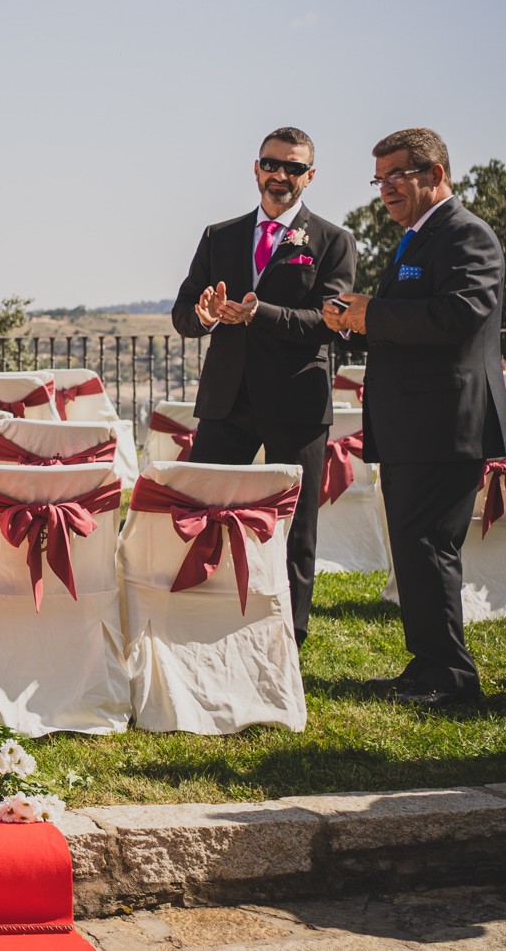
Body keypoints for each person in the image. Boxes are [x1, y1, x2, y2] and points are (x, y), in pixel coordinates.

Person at [325, 127, 506, 710]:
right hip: (412, 423)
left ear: (436, 174)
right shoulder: (413, 239)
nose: (385, 189)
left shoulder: (466, 235)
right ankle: (428, 665)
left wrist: (371, 314)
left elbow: (459, 315)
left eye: (396, 176)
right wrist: (357, 319)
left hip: (445, 423)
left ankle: (451, 678)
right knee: (413, 546)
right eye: (379, 179)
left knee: (429, 547)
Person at [169, 126, 356, 644]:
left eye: (293, 168)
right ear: (256, 168)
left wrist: (261, 314)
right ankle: (204, 621)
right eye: (271, 164)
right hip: (226, 399)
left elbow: (328, 321)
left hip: (296, 402)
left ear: (309, 177)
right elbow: (183, 311)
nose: (280, 175)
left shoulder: (334, 242)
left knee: (296, 528)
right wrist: (204, 318)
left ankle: (286, 639)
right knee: (205, 514)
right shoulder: (218, 236)